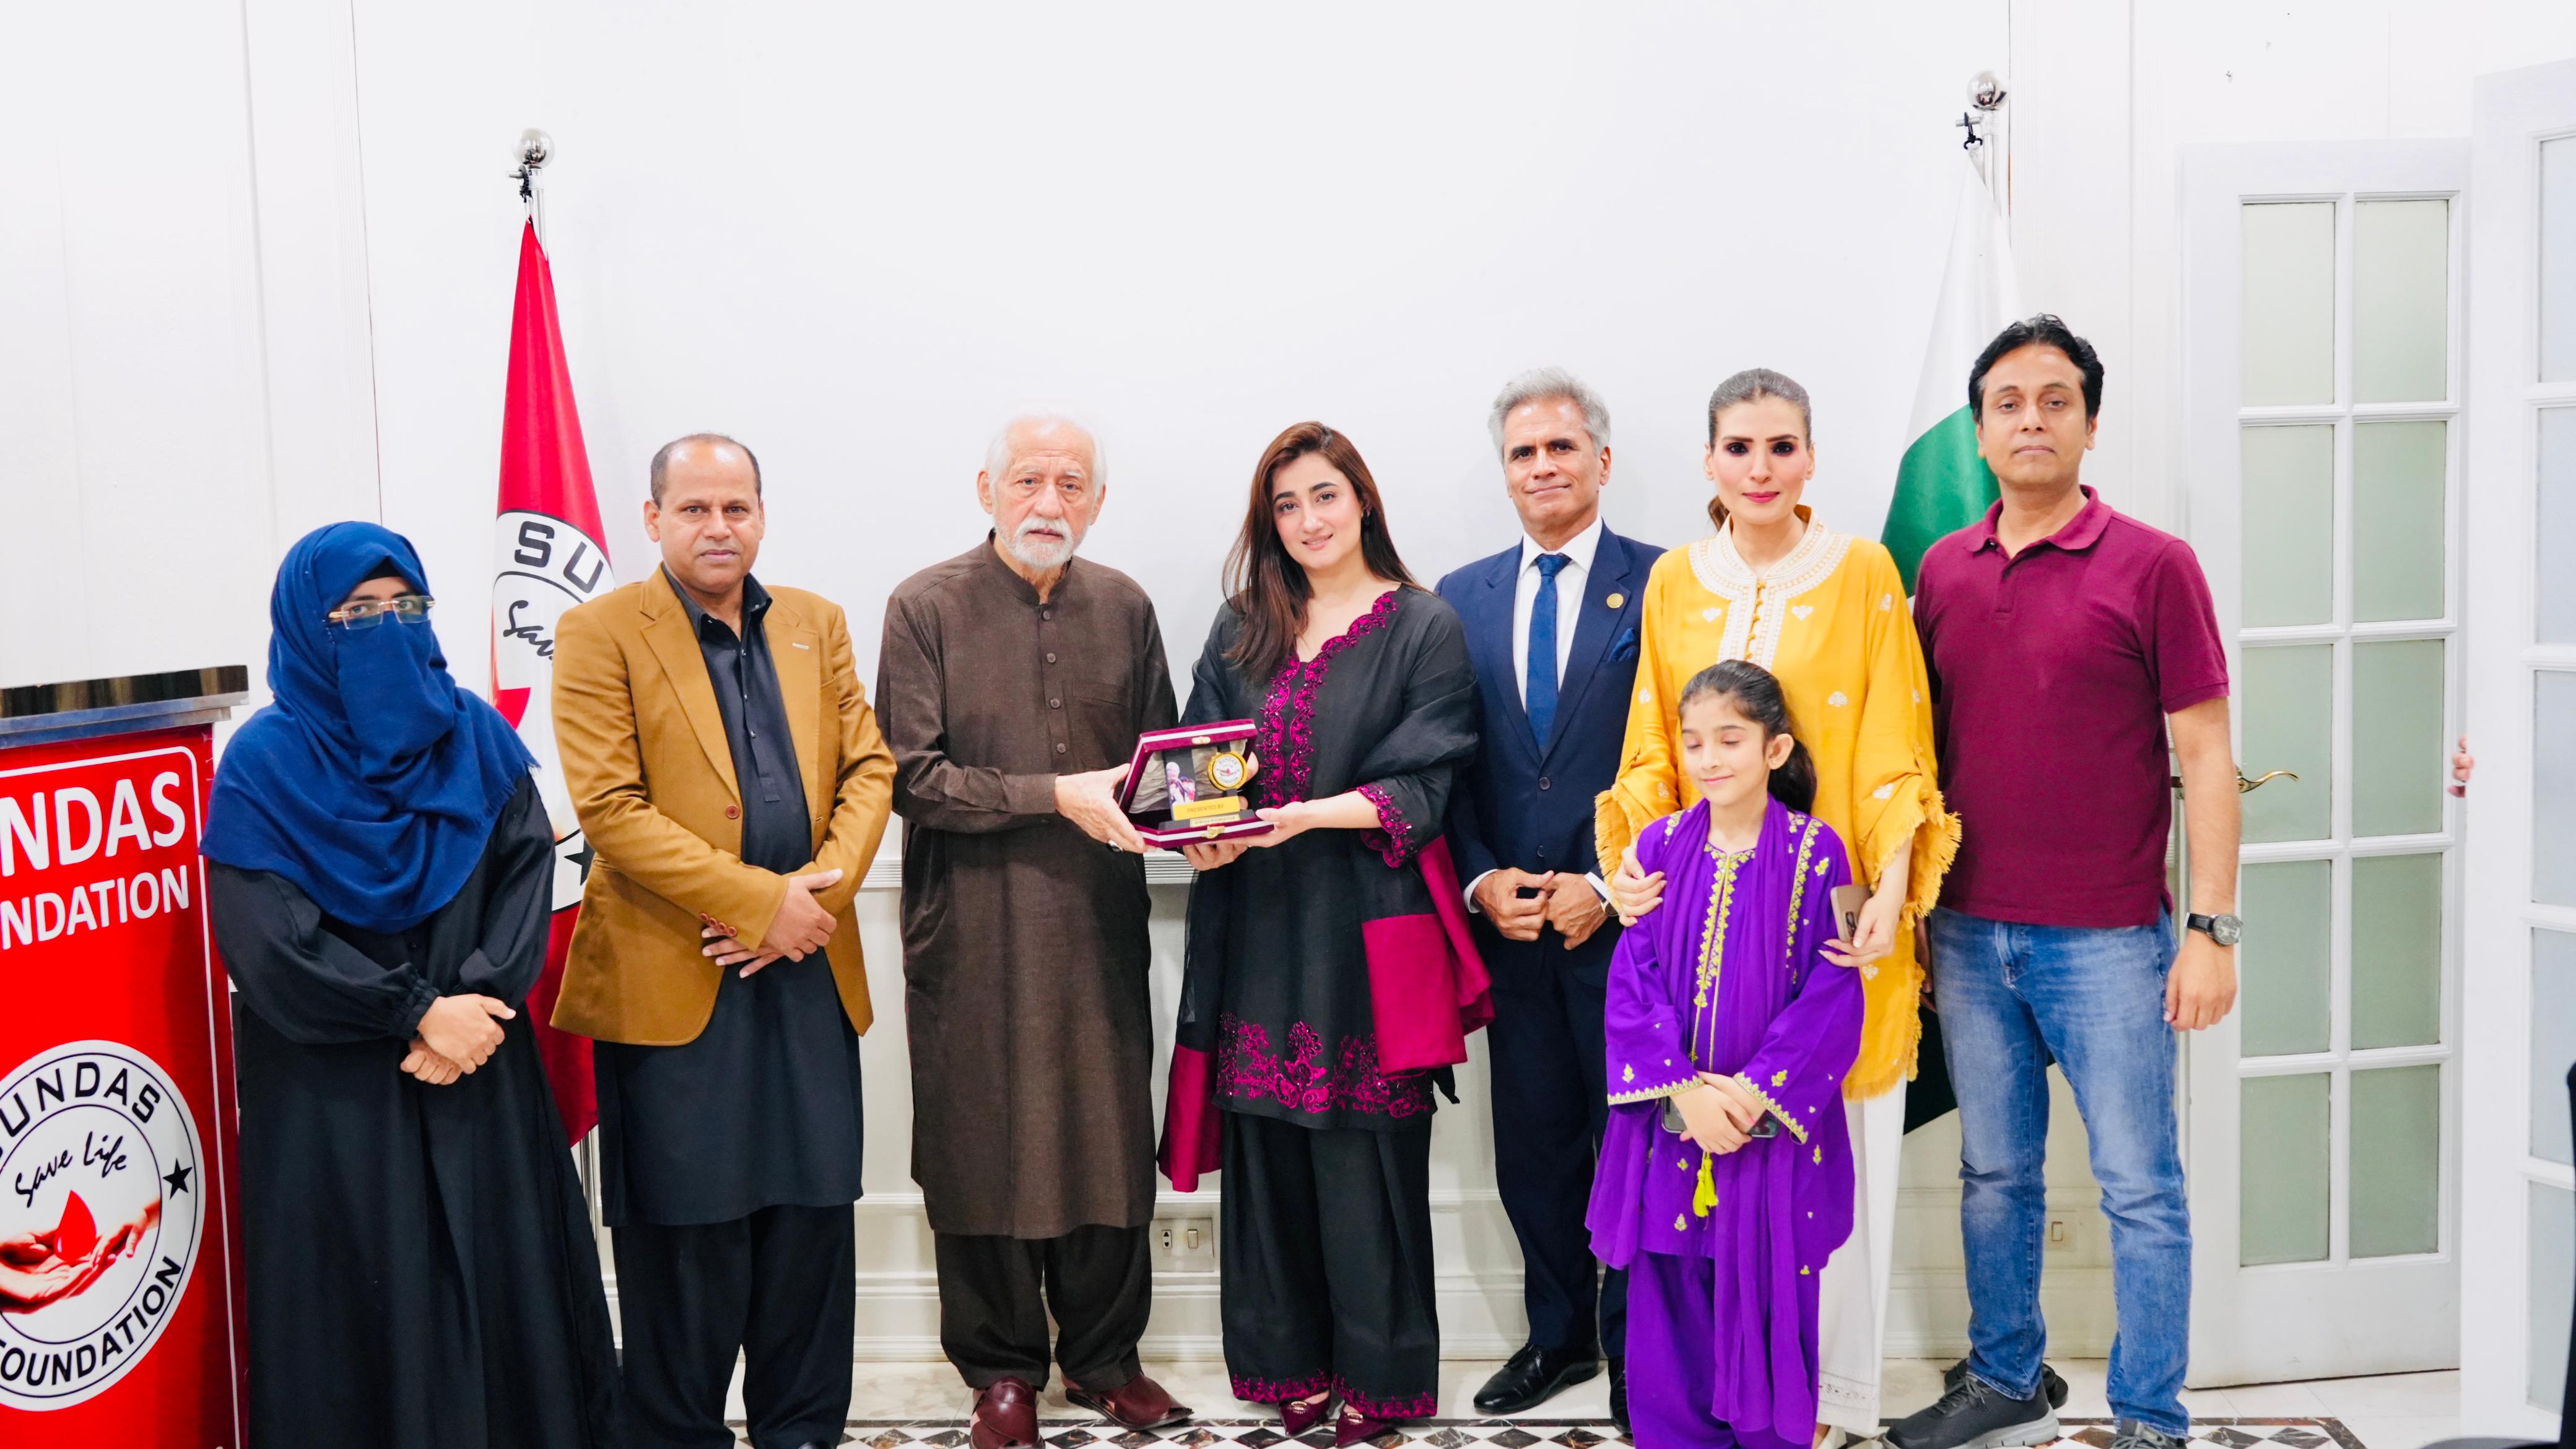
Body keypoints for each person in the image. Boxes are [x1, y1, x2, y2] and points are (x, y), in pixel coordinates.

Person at [1885, 316, 2237, 1449]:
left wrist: (2212, 928)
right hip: (1968, 933)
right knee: (1995, 1175)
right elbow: (1920, 755)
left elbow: (2206, 755)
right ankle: (2006, 1381)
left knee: (2139, 1186)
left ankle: (2150, 1418)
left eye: (2055, 401)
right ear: (1980, 431)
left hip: (2109, 940)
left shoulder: (2156, 565)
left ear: (2090, 423)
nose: (2030, 420)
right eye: (2008, 403)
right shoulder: (1943, 569)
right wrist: (1917, 915)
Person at [203, 522, 620, 1449]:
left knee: (504, 1296)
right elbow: (269, 945)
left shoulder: (473, 733)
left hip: (480, 1067)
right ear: (307, 626)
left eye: (407, 607)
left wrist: (475, 1005)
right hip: (339, 1096)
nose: (388, 628)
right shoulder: (265, 764)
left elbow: (526, 881)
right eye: (358, 613)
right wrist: (419, 1012)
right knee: (362, 1310)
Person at [1605, 368, 1954, 1441]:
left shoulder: (1862, 571)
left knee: (1807, 1163)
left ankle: (1814, 1399)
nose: (1761, 469)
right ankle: (1694, 1405)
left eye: (1782, 446)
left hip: (1826, 918)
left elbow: (1895, 746)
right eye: (1740, 447)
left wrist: (1886, 894)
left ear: (1811, 456)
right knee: (1687, 1181)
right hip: (1690, 910)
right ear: (1710, 460)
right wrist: (1626, 866)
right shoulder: (1675, 579)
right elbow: (1652, 745)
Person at [550, 434, 896, 1449]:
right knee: (685, 1246)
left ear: (761, 515)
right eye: (695, 508)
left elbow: (869, 770)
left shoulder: (815, 623)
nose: (718, 527)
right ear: (653, 519)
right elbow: (610, 808)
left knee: (810, 1231)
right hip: (676, 977)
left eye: (736, 507)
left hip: (807, 972)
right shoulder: (600, 632)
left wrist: (808, 902)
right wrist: (759, 905)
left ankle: (803, 1433)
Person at [1157, 422, 1485, 1447]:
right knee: (1268, 1152)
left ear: (1364, 501)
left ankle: (1381, 1382)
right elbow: (1195, 766)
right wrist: (1203, 836)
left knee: (1367, 1162)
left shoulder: (1423, 625)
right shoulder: (1241, 626)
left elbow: (1424, 785)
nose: (1308, 520)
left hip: (1371, 928)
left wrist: (1301, 816)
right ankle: (1286, 1365)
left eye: (1325, 496)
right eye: (1287, 504)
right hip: (1255, 925)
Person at [876, 416, 1191, 1449]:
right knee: (981, 1140)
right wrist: (1055, 793)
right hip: (972, 930)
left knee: (1105, 1138)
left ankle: (1105, 1359)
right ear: (988, 490)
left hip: (1097, 926)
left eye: (1070, 483)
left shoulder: (1126, 606)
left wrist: (1213, 821)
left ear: (1096, 501)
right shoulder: (924, 606)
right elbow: (913, 779)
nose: (1048, 501)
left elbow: (1161, 772)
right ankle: (1001, 1370)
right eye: (1027, 480)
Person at [1437, 368, 1662, 1425]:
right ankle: (1558, 1338)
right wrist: (1482, 879)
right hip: (1512, 928)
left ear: (1601, 461)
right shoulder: (1459, 597)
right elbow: (1445, 764)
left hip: (1630, 927)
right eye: (1523, 453)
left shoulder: (1667, 585)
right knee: (1534, 1152)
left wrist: (1607, 888)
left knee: (1641, 1146)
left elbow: (1690, 760)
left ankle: (1639, 1350)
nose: (1542, 467)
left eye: (1561, 447)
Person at [1587, 659, 1864, 1449]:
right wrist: (1684, 1095)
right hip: (1671, 1122)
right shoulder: (1657, 845)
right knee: (1669, 1285)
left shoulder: (1818, 854)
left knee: (1767, 1283)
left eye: (1730, 740)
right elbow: (1633, 980)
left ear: (1775, 750)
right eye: (1694, 741)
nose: (1708, 759)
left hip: (1764, 1128)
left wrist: (1748, 1096)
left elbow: (1832, 992)